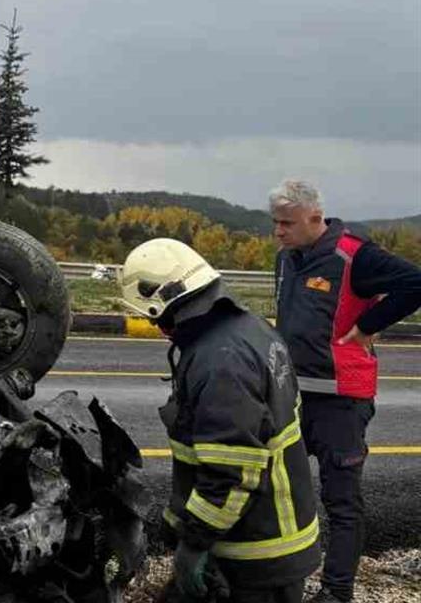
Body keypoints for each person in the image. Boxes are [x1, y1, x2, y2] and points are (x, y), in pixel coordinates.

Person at [120, 238, 319, 603]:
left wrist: (194, 544)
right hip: (263, 538)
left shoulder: (220, 361)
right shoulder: (249, 328)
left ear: (161, 305)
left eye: (153, 317)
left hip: (255, 553)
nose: (160, 328)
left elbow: (230, 470)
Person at [268, 179, 421, 603]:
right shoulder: (286, 259)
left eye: (287, 223)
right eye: (275, 223)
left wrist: (368, 326)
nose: (279, 232)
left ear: (315, 218)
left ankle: (337, 592)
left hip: (341, 400)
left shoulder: (355, 256)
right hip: (293, 393)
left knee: (340, 500)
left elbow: (415, 283)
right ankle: (283, 577)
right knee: (283, 490)